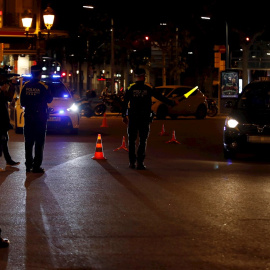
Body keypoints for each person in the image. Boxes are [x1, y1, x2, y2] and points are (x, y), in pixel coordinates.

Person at [122, 68, 177, 170]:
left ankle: (131, 163)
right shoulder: (148, 88)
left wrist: (124, 116)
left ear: (136, 76)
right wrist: (172, 103)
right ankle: (140, 163)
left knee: (131, 141)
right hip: (144, 118)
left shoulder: (130, 87)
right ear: (144, 76)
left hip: (133, 117)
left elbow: (125, 102)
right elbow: (160, 97)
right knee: (143, 140)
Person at [20, 65, 53, 173]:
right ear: (39, 74)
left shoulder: (25, 86)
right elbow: (49, 100)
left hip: (29, 117)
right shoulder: (43, 86)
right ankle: (36, 166)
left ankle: (28, 165)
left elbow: (22, 103)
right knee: (39, 142)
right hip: (40, 118)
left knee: (28, 142)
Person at [0, 72, 20, 171]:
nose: (7, 86)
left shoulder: (2, 93)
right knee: (2, 141)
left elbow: (8, 98)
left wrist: (12, 85)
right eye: (6, 84)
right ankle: (8, 160)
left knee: (4, 140)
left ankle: (8, 160)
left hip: (3, 122)